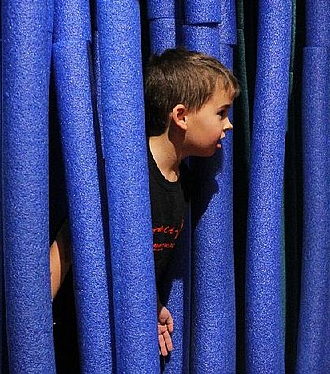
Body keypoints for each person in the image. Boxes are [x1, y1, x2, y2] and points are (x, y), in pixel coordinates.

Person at [50, 47, 240, 358]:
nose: (228, 124)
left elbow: (136, 261)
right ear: (181, 116)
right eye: (221, 113)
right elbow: (67, 246)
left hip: (122, 335)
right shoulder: (128, 172)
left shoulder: (185, 183)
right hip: (78, 339)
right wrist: (33, 327)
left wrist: (150, 307)